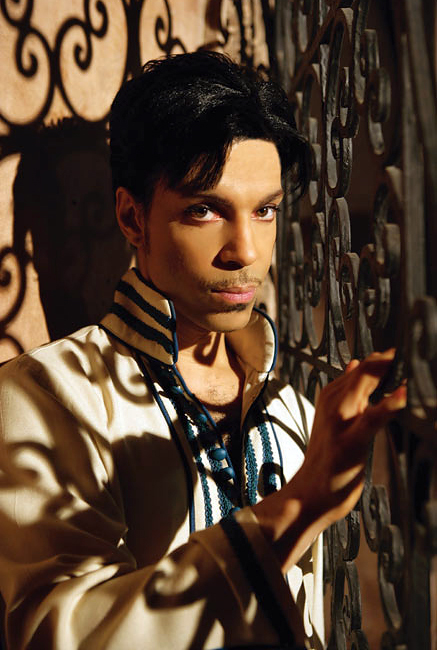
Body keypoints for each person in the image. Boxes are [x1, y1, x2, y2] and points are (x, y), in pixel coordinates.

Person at [0, 51, 406, 650]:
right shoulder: (44, 396)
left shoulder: (291, 410)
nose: (246, 250)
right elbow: (57, 632)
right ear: (131, 217)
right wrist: (298, 505)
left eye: (264, 210)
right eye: (205, 209)